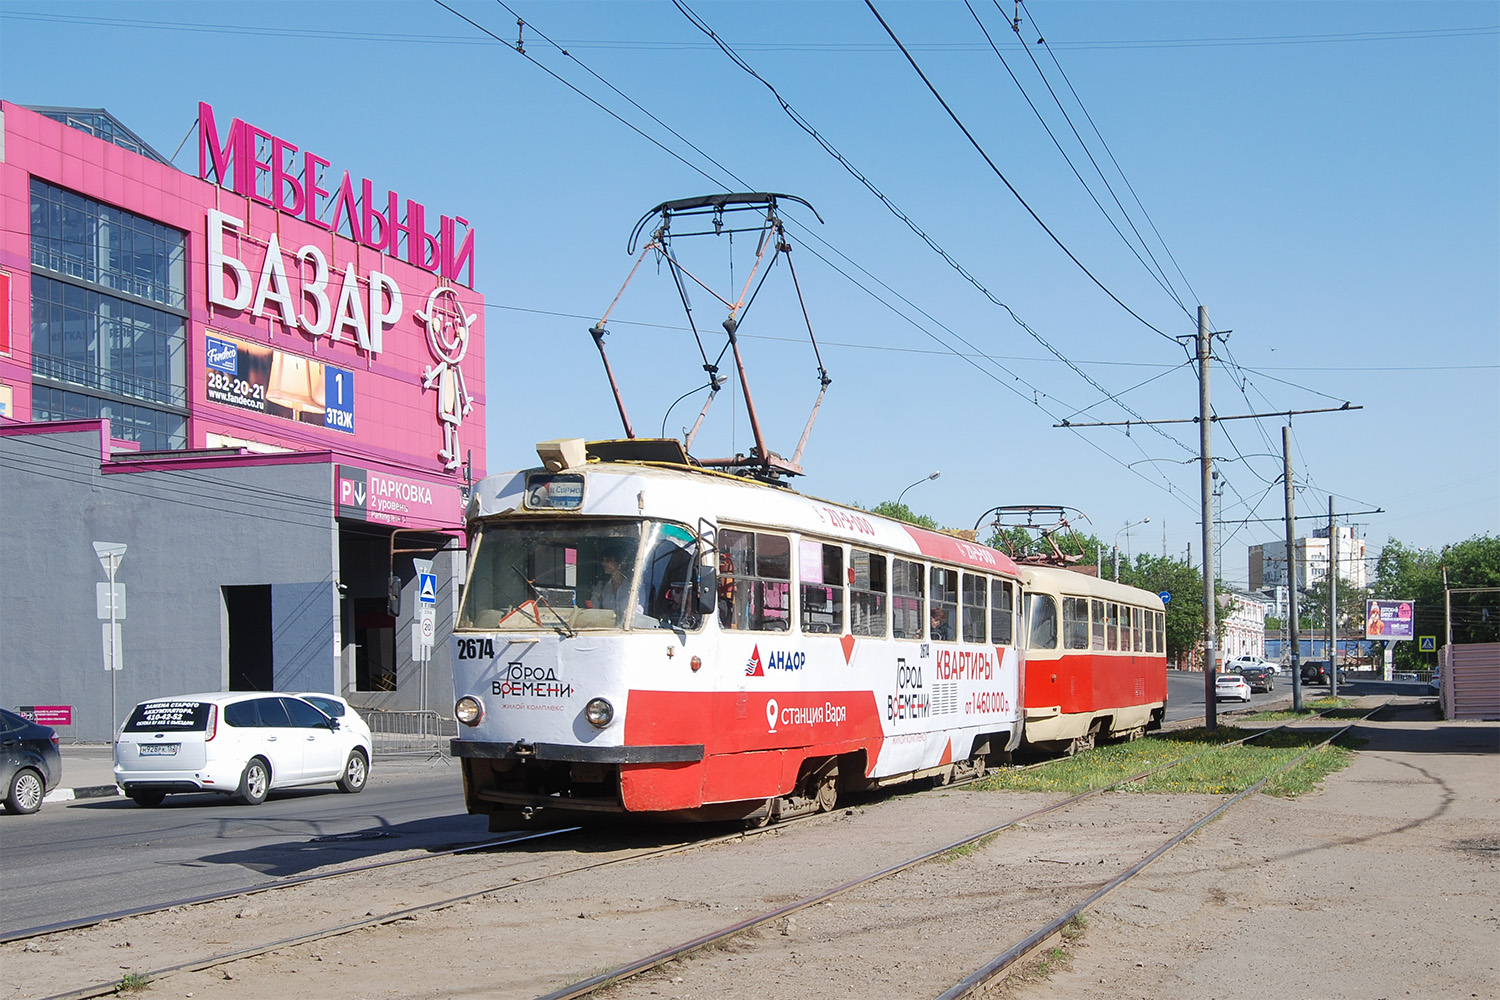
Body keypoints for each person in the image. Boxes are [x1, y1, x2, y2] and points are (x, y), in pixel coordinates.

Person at [590, 552, 631, 620]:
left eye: (607, 560)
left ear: (619, 562)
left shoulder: (633, 587)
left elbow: (637, 613)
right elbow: (593, 610)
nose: (603, 563)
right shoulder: (601, 586)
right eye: (603, 561)